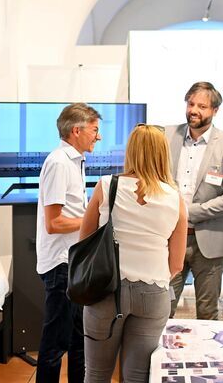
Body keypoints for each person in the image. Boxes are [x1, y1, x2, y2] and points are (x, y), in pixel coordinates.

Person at [79, 124, 187, 383]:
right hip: (153, 293)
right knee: (137, 377)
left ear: (131, 152)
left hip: (105, 290)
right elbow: (176, 264)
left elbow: (83, 241)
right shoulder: (175, 198)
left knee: (96, 374)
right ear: (163, 154)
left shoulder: (106, 186)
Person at [166, 82, 223, 320]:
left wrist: (188, 212)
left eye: (201, 106)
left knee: (208, 314)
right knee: (161, 311)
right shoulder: (166, 135)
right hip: (169, 238)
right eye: (191, 104)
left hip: (210, 243)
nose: (194, 110)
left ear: (215, 110)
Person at [36, 103, 102, 383]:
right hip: (61, 264)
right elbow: (54, 223)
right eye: (94, 130)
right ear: (76, 130)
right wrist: (95, 219)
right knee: (55, 344)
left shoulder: (75, 162)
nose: (98, 136)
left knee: (79, 342)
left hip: (74, 262)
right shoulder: (59, 163)